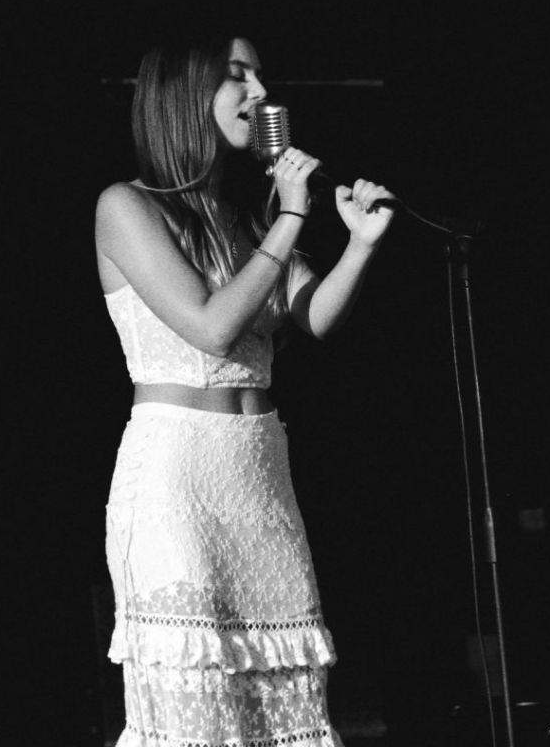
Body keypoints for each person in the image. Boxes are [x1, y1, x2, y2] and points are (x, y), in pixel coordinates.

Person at [95, 37, 396, 745]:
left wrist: (361, 244)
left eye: (261, 77)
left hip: (257, 478)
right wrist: (291, 217)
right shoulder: (126, 206)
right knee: (198, 707)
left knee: (279, 704)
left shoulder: (239, 218)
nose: (261, 93)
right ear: (185, 91)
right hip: (177, 482)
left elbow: (311, 316)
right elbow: (212, 327)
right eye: (239, 77)